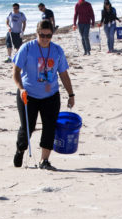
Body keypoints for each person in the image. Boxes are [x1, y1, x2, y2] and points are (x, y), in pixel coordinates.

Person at [12, 19, 75, 171]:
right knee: (28, 127)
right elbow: (16, 72)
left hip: (51, 96)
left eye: (49, 36)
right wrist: (21, 89)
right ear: (37, 33)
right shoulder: (27, 48)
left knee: (50, 127)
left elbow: (64, 74)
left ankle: (44, 160)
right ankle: (20, 149)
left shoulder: (57, 50)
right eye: (42, 35)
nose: (45, 39)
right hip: (28, 94)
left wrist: (71, 94)